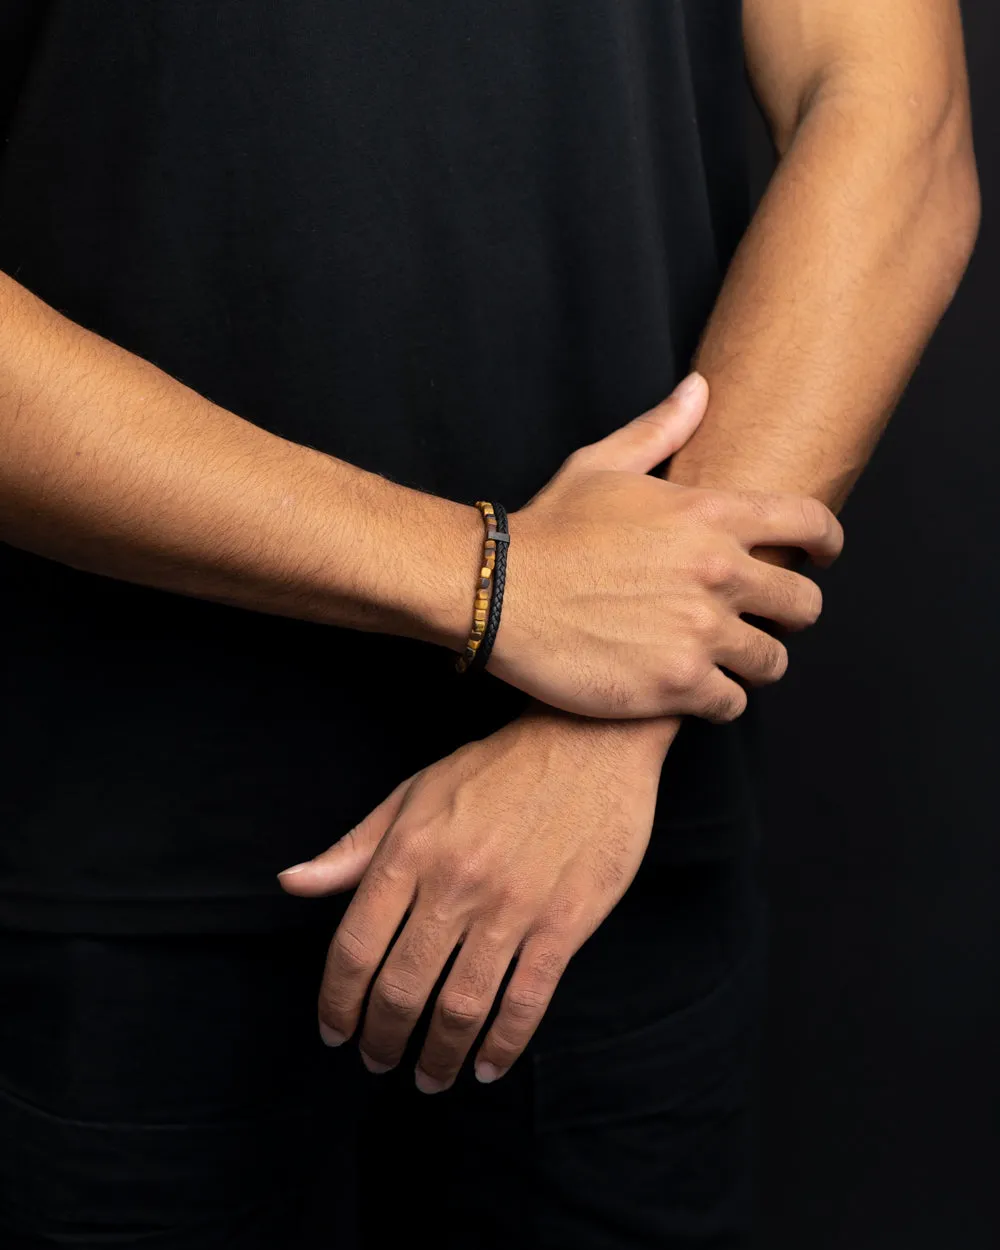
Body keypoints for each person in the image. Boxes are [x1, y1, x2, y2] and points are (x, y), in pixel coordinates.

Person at [0, 2, 978, 1247]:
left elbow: (893, 115)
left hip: (597, 863)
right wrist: (494, 580)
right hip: (100, 872)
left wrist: (613, 719)